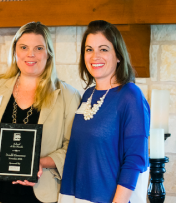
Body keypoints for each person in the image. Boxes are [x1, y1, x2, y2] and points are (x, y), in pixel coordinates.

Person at [0, 22, 81, 203]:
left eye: (38, 48)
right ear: (15, 52)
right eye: (23, 47)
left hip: (42, 194)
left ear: (48, 54)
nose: (30, 54)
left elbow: (74, 148)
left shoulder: (68, 96)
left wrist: (41, 162)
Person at [59, 20, 150, 203]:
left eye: (104, 49)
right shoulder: (87, 95)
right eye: (89, 49)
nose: (95, 56)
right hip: (75, 196)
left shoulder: (130, 95)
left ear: (118, 55)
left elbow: (135, 159)